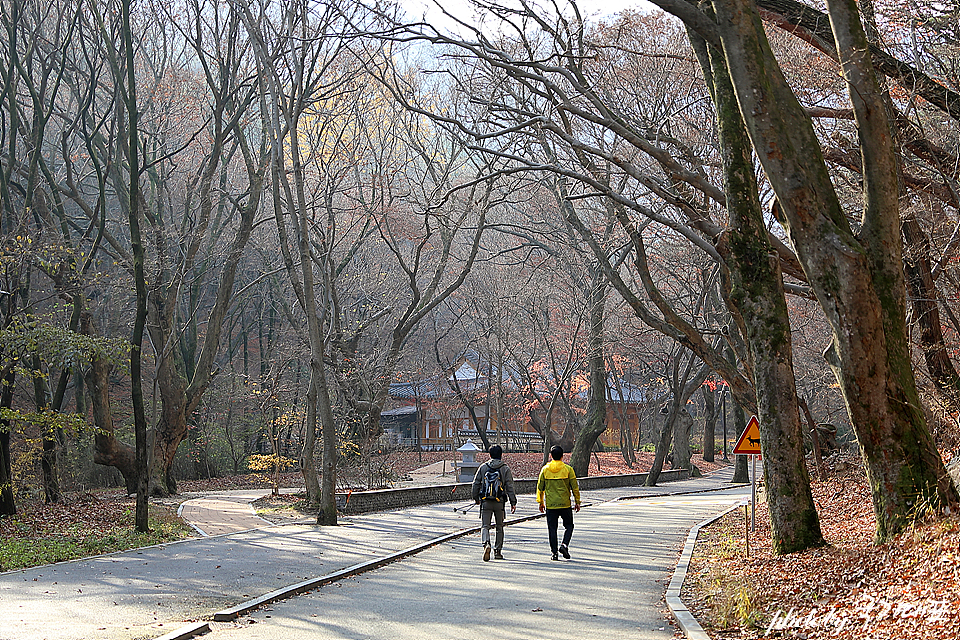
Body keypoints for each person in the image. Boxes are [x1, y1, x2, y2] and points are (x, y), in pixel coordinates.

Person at [471, 444, 517, 561]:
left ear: (490, 455)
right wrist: (513, 502)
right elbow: (510, 486)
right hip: (499, 502)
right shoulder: (505, 468)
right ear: (501, 455)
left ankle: (486, 543)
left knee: (485, 526)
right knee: (499, 527)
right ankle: (498, 551)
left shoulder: (483, 467)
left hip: (486, 501)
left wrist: (476, 498)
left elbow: (476, 483)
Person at [536, 445, 581, 561]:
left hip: (551, 505)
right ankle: (564, 545)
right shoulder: (568, 469)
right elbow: (575, 487)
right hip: (565, 504)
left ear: (551, 456)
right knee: (569, 526)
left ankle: (554, 553)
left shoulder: (545, 470)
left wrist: (540, 502)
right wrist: (577, 501)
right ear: (562, 456)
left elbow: (540, 488)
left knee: (552, 528)